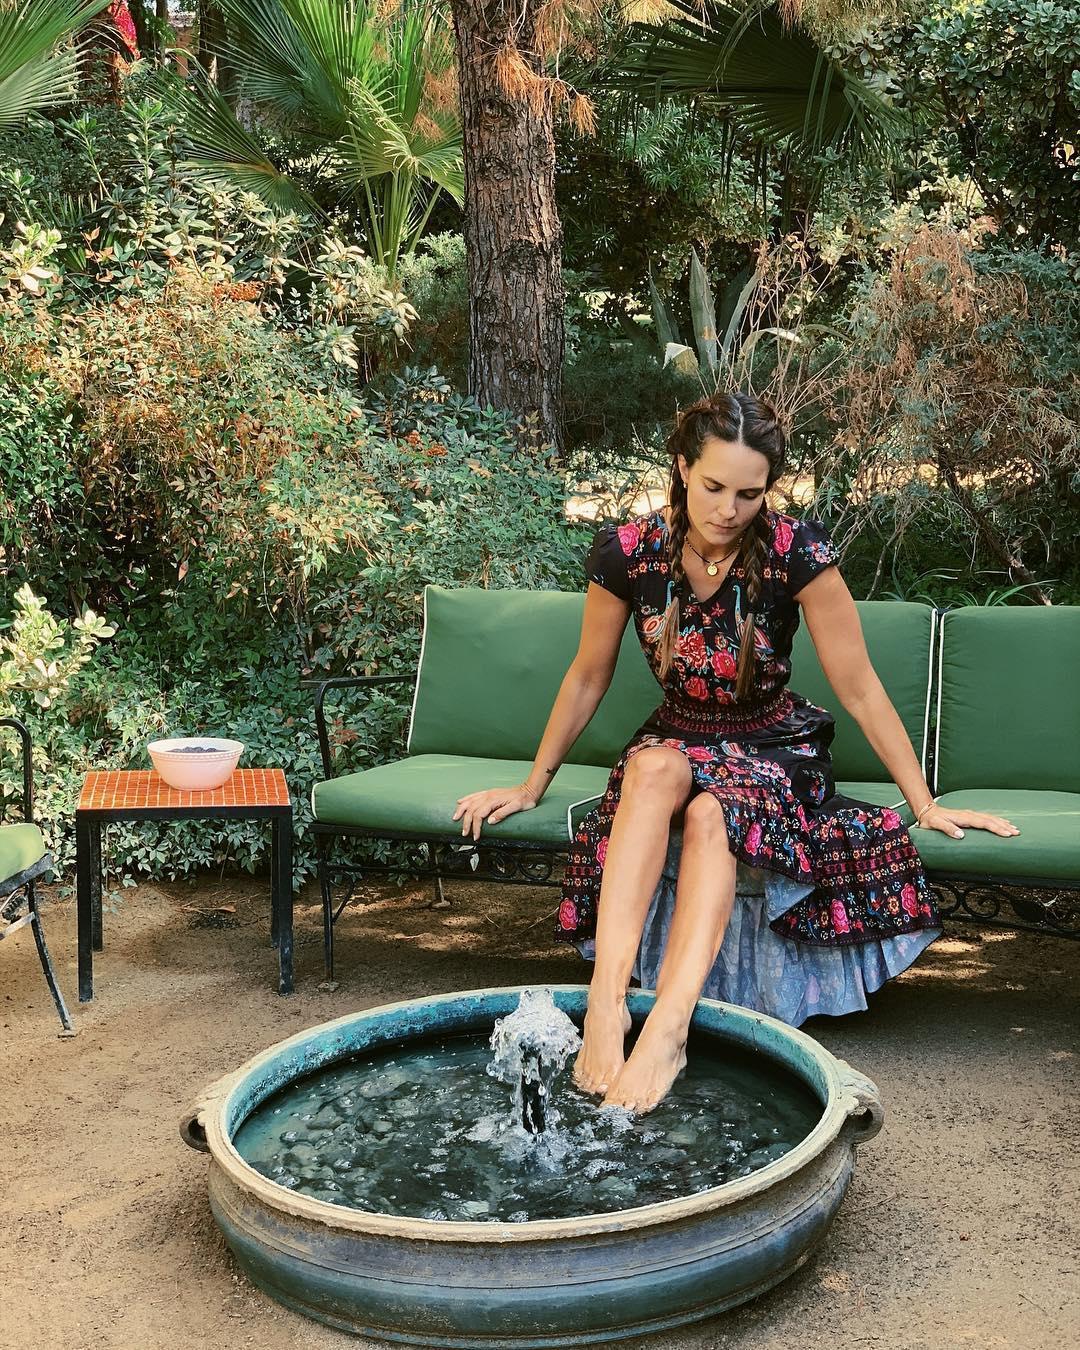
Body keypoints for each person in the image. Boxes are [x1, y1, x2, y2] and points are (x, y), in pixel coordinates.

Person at [453, 392, 1019, 1114]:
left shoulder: (795, 552)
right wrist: (533, 784)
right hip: (679, 730)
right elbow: (587, 676)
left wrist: (925, 803)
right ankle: (605, 1006)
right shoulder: (628, 551)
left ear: (769, 489)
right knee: (651, 768)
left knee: (716, 812)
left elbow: (860, 686)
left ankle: (668, 1031)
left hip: (772, 743)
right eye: (714, 486)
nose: (728, 509)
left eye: (749, 494)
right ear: (682, 467)